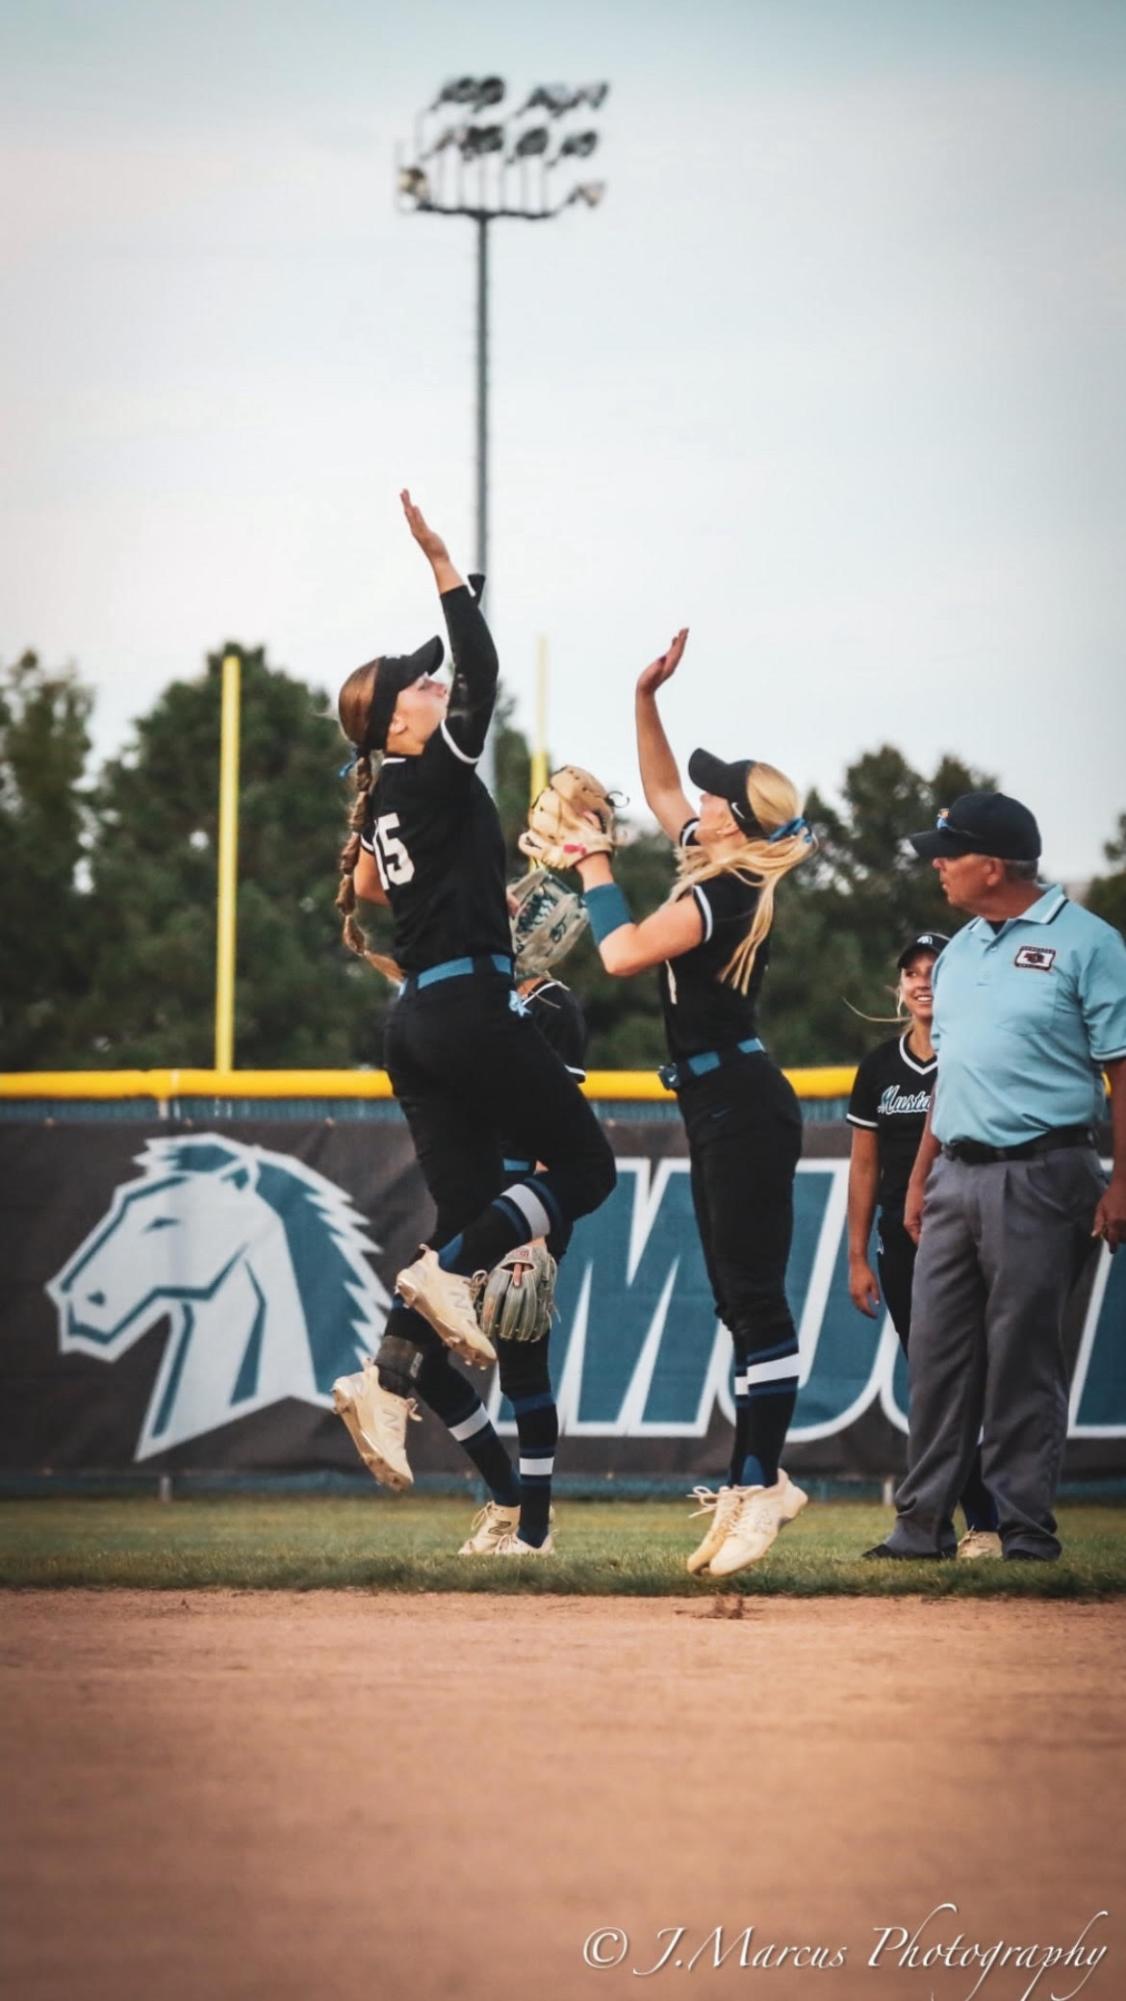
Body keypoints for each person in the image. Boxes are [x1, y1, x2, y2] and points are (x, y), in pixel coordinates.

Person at [331, 491, 616, 1556]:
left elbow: (434, 668)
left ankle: (381, 1377)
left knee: (464, 1241)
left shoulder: (392, 782)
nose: (432, 688)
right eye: (415, 691)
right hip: (465, 1005)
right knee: (584, 1174)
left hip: (417, 1022)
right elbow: (477, 673)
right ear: (400, 719)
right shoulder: (436, 762)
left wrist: (458, 598)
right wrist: (445, 563)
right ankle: (431, 1293)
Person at [562, 627, 814, 1578]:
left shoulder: (727, 892)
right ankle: (757, 1481)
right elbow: (664, 791)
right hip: (719, 1102)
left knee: (754, 1301)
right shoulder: (721, 863)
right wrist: (644, 699)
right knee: (736, 1301)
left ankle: (761, 1483)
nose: (696, 802)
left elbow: (621, 953)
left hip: (741, 1103)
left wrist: (592, 863)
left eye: (717, 797)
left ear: (741, 825)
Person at [865, 791, 1126, 1562]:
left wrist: (1121, 1183)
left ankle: (1025, 1531)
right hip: (955, 1174)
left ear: (993, 864)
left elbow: (1120, 1069)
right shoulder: (960, 950)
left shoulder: (1088, 943)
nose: (937, 864)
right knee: (938, 1356)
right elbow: (951, 1077)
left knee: (1021, 1358)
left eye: (948, 852)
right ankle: (921, 1526)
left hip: (1044, 1170)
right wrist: (919, 1177)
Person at [846, 931, 1000, 1557]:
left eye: (933, 969)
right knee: (933, 1382)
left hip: (973, 1230)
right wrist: (857, 1256)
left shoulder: (975, 1055)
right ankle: (966, 1524)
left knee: (980, 1381)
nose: (921, 980)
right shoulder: (880, 1067)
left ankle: (988, 1522)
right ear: (898, 987)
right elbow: (863, 1167)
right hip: (902, 1240)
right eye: (910, 971)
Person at [457, 966, 590, 1558]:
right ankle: (507, 1496)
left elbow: (557, 1126)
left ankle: (533, 1533)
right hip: (471, 1198)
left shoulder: (553, 1008)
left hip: (526, 1200)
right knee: (412, 1356)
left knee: (521, 1367)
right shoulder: (475, 996)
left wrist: (536, 1237)